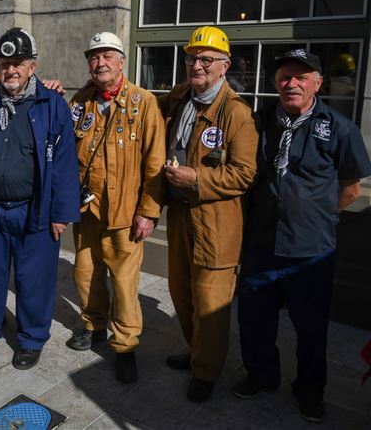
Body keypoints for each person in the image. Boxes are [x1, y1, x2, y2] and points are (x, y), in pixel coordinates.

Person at [233, 49, 371, 423]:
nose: (291, 83)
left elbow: (351, 187)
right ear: (275, 82)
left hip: (310, 252)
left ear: (317, 83)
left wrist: (322, 217)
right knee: (254, 320)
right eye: (284, 77)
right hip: (262, 245)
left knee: (311, 330)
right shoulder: (259, 121)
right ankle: (261, 375)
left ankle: (310, 391)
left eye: (301, 77)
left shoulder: (339, 127)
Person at [0, 27, 79, 370]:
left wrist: (61, 213)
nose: (11, 70)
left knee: (34, 279)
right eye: (5, 63)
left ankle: (31, 338)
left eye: (19, 63)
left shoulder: (53, 104)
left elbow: (66, 162)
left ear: (32, 66)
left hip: (36, 210)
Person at [160, 25, 258, 402]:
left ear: (225, 66)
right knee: (181, 293)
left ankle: (206, 372)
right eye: (191, 58)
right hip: (181, 216)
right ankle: (195, 352)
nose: (196, 65)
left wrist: (195, 177)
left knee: (211, 303)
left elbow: (245, 174)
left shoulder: (236, 113)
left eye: (206, 59)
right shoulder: (182, 96)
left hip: (216, 223)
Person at [66, 31, 165, 384]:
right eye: (93, 57)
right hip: (87, 211)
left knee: (124, 284)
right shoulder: (80, 101)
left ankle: (124, 345)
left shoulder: (144, 102)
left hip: (124, 214)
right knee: (86, 273)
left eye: (107, 55)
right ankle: (92, 323)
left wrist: (148, 211)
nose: (100, 62)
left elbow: (155, 164)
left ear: (121, 60)